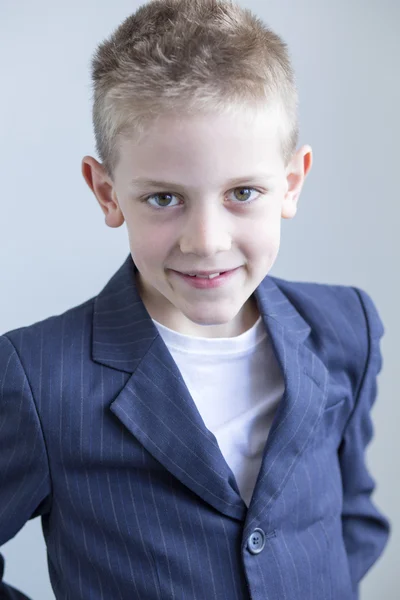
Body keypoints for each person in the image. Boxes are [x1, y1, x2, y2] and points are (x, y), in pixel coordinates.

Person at [0, 0, 391, 598]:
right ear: (107, 193)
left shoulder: (347, 328)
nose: (206, 242)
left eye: (242, 192)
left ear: (290, 183)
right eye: (164, 198)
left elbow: (352, 515)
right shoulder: (38, 378)